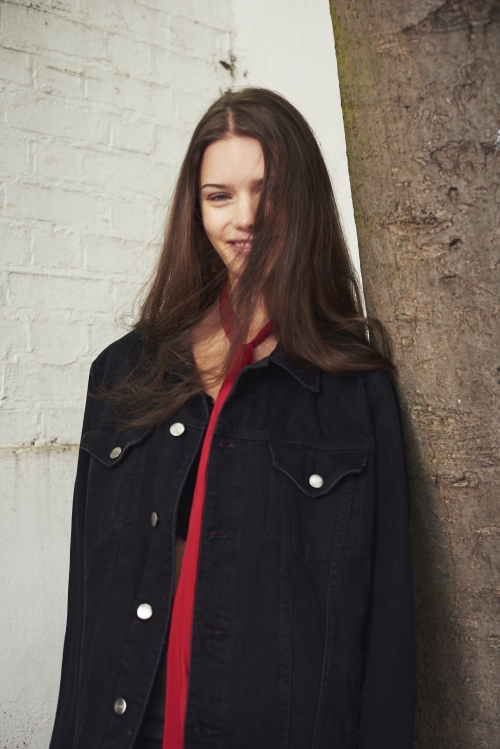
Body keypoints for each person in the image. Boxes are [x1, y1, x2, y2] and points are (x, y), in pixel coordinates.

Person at [49, 87, 416, 749]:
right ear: (195, 210)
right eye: (219, 195)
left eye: (267, 191)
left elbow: (388, 620)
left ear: (303, 198)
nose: (245, 217)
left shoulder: (354, 387)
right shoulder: (122, 372)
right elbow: (87, 607)